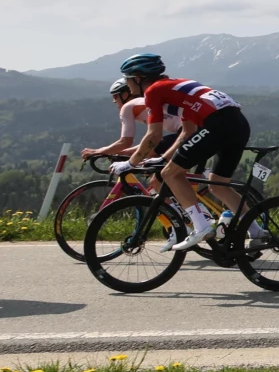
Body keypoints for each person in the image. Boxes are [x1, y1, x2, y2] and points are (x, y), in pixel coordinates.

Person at [110, 53, 262, 251]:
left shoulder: (154, 91)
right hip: (238, 124)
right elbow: (188, 131)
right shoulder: (176, 88)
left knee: (170, 174)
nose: (127, 84)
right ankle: (258, 233)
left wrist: (130, 163)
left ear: (138, 79)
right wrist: (163, 158)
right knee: (219, 184)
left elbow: (153, 135)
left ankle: (201, 226)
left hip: (218, 124)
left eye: (128, 79)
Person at [81, 78, 183, 160]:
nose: (114, 101)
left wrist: (98, 151)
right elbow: (152, 143)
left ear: (125, 95)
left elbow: (125, 142)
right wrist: (124, 152)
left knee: (163, 176)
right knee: (158, 171)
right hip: (190, 130)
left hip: (185, 132)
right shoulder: (145, 102)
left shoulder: (128, 107)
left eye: (115, 96)